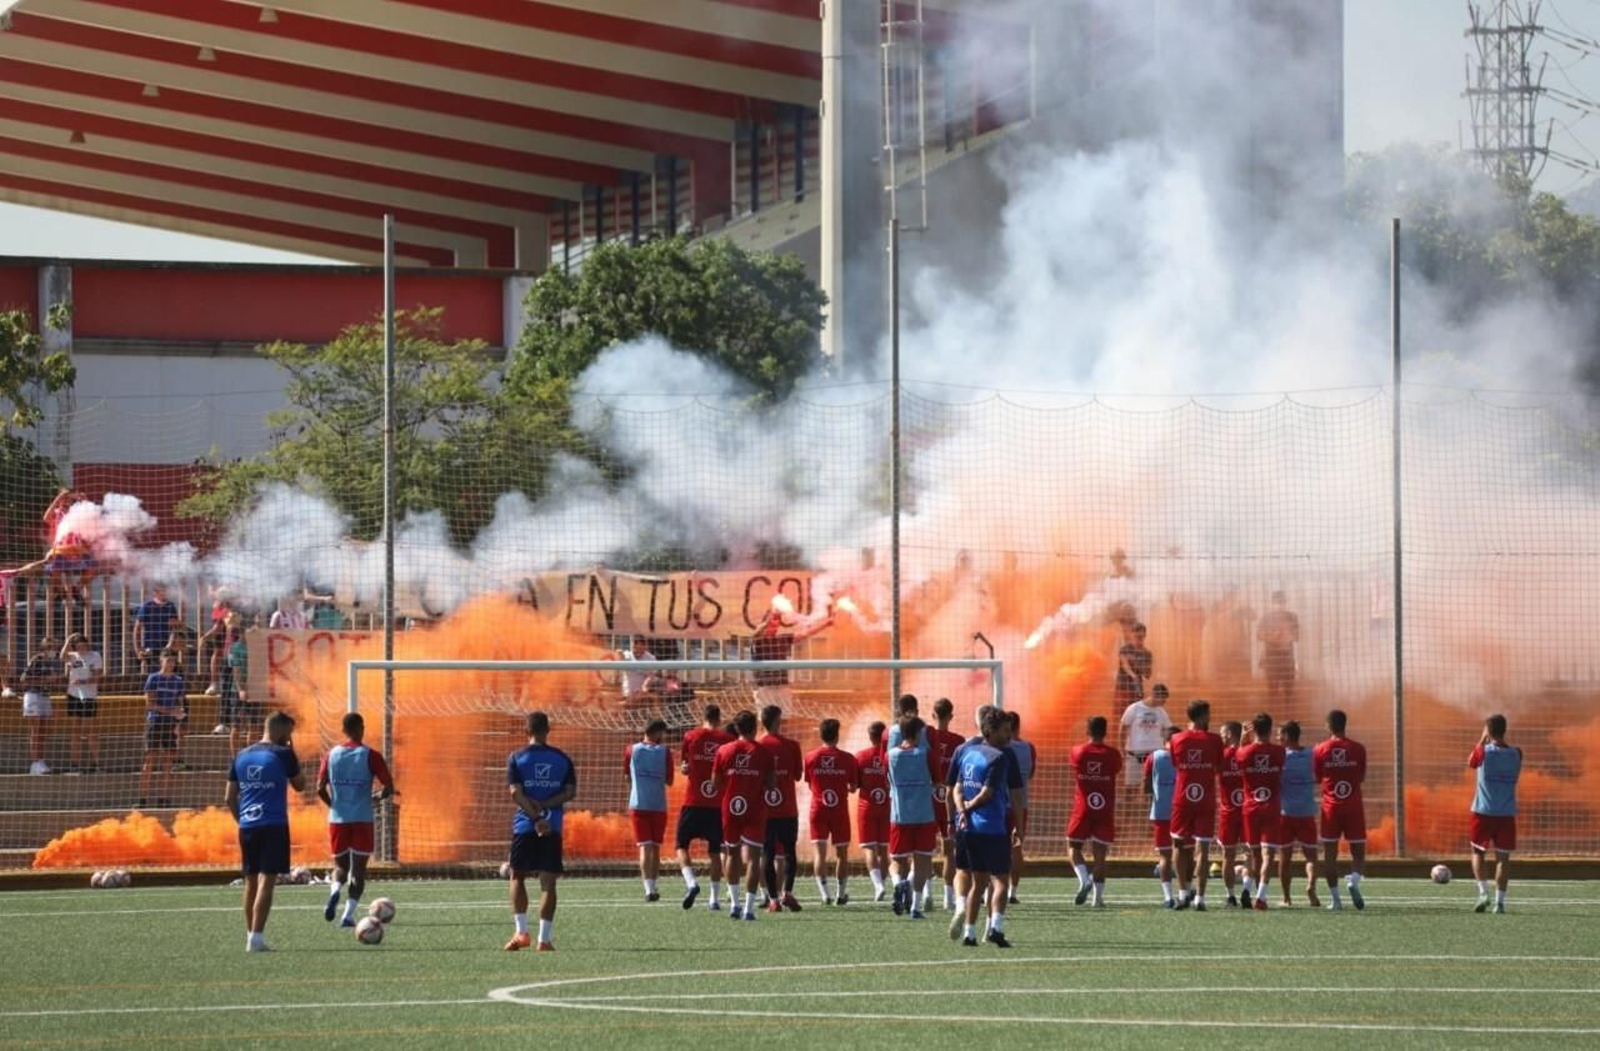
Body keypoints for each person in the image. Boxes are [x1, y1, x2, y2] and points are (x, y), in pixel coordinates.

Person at [226, 709, 305, 952]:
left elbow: (229, 797)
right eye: (289, 732)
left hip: (248, 826)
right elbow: (301, 786)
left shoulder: (241, 754)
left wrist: (243, 822)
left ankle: (251, 935)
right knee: (266, 881)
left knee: (250, 882)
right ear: (281, 729)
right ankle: (256, 939)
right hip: (273, 824)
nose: (290, 737)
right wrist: (292, 751)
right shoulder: (283, 754)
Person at [505, 711, 577, 951]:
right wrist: (547, 807)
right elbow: (570, 792)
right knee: (548, 883)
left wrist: (535, 816)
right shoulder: (563, 759)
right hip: (552, 826)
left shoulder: (516, 757)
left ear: (526, 731)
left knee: (517, 876)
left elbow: (515, 793)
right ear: (548, 730)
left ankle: (521, 932)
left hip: (525, 825)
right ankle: (544, 940)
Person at [316, 712, 396, 927]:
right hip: (362, 818)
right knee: (358, 871)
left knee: (340, 867)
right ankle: (348, 915)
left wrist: (333, 805)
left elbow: (319, 788)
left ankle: (334, 891)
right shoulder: (371, 755)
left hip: (337, 819)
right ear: (362, 728)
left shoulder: (330, 755)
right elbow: (389, 788)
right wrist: (377, 797)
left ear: (343, 730)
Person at [951, 708, 1017, 948]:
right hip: (990, 827)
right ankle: (996, 929)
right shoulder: (998, 757)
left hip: (967, 830)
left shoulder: (968, 753)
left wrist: (961, 809)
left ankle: (969, 933)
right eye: (1005, 730)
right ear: (990, 731)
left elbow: (957, 787)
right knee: (1001, 881)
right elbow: (987, 793)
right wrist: (969, 807)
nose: (1009, 735)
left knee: (978, 883)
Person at [712, 709, 776, 921]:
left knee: (732, 854)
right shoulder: (764, 752)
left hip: (731, 806)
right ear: (756, 727)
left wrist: (733, 783)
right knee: (754, 858)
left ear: (736, 728)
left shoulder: (724, 750)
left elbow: (715, 782)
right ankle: (749, 908)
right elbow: (772, 783)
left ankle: (734, 904)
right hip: (755, 808)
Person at [675, 703, 733, 911]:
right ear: (719, 719)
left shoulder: (691, 736)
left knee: (681, 846)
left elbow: (684, 767)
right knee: (716, 852)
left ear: (703, 717)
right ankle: (714, 899)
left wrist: (686, 768)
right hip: (717, 804)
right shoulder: (727, 740)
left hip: (693, 802)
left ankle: (691, 883)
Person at [1169, 699, 1223, 910]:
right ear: (1203, 716)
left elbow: (1176, 764)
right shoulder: (1215, 740)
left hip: (1182, 799)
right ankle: (1200, 898)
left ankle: (1183, 894)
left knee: (1179, 846)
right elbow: (1218, 767)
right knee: (1203, 850)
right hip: (1205, 799)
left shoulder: (1176, 739)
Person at [1314, 708, 1368, 911]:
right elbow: (1361, 777)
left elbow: (1319, 777)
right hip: (1353, 806)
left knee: (1329, 854)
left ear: (1328, 726)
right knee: (1358, 853)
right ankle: (1353, 881)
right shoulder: (1358, 749)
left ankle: (1336, 900)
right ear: (1345, 724)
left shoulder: (1320, 750)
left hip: (1330, 808)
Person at [1468, 713, 1522, 914]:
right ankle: (1500, 903)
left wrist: (1483, 739)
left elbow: (1471, 762)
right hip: (1506, 813)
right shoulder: (1517, 753)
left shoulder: (1483, 751)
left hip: (1483, 811)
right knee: (1503, 859)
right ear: (1505, 730)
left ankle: (1483, 893)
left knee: (1478, 853)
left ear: (1488, 731)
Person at [1067, 715, 1122, 907]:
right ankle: (1097, 900)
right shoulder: (1113, 754)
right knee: (1100, 855)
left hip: (1083, 807)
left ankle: (1084, 879)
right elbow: (1116, 770)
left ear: (1087, 732)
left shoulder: (1078, 751)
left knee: (1073, 846)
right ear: (1105, 732)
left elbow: (1073, 765)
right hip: (1104, 807)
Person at [887, 713, 938, 918]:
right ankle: (915, 907)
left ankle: (899, 883)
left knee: (897, 860)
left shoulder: (890, 755)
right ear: (918, 732)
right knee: (922, 861)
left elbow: (887, 778)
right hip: (924, 813)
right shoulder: (927, 753)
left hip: (899, 815)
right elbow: (937, 779)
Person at [802, 718, 858, 905]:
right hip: (839, 811)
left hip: (818, 810)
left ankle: (824, 894)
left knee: (820, 854)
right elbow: (853, 787)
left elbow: (809, 784)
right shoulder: (848, 759)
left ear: (821, 735)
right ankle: (840, 895)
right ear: (837, 735)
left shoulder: (810, 757)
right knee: (842, 854)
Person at [1236, 712, 1285, 911]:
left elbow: (1238, 756)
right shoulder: (1279, 752)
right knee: (1268, 855)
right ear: (1271, 729)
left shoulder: (1245, 752)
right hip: (1270, 806)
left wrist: (1242, 739)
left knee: (1254, 854)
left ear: (1253, 730)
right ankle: (1261, 897)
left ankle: (1247, 887)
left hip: (1250, 808)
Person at [757, 704, 804, 912]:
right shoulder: (792, 746)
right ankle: (788, 893)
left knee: (766, 853)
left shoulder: (757, 746)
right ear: (777, 721)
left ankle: (773, 900)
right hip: (787, 809)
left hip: (765, 810)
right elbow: (797, 776)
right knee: (789, 852)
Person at [625, 718, 674, 902]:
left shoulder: (631, 749)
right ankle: (653, 886)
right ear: (657, 733)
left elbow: (626, 777)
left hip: (638, 804)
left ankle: (648, 890)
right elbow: (669, 781)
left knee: (644, 847)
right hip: (658, 805)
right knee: (655, 847)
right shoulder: (665, 752)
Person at [749, 603, 833, 706]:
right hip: (764, 686)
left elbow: (805, 633)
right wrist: (767, 622)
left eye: (777, 621)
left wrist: (825, 624)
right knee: (765, 718)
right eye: (772, 621)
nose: (775, 624)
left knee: (784, 717)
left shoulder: (782, 639)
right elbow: (755, 634)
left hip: (782, 685)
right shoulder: (758, 640)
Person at [1277, 720, 1321, 907]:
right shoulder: (1311, 754)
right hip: (1306, 812)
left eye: (1279, 735)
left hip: (1285, 813)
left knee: (1285, 858)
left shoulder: (1280, 757)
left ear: (1286, 736)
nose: (1277, 738)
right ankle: (1310, 885)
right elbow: (1318, 777)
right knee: (1311, 856)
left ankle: (1286, 898)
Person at [929, 698, 966, 911]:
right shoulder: (959, 742)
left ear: (933, 715)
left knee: (922, 850)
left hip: (928, 800)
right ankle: (948, 898)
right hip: (950, 800)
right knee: (949, 850)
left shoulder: (926, 739)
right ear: (951, 716)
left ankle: (924, 892)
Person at [140, 651, 186, 807]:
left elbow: (180, 703)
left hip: (170, 724)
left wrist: (178, 717)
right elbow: (149, 704)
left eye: (173, 661)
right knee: (150, 759)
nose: (171, 664)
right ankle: (143, 799)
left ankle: (164, 798)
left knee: (168, 761)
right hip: (155, 721)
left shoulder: (178, 681)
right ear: (161, 661)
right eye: (168, 660)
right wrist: (169, 711)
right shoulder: (153, 678)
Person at [854, 720, 892, 901]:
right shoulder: (891, 756)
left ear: (869, 736)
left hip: (866, 807)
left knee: (869, 848)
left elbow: (854, 785)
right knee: (884, 849)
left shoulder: (860, 757)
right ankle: (882, 884)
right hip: (887, 805)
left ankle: (878, 886)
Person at [1143, 724, 1179, 907]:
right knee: (1185, 853)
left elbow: (1146, 786)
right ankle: (1186, 893)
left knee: (1165, 856)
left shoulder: (1154, 757)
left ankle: (1168, 898)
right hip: (1182, 811)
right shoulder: (1185, 757)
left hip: (1160, 812)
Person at [1005, 711, 1035, 903]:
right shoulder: (1028, 748)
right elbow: (1031, 773)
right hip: (1021, 804)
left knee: (995, 846)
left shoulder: (1000, 748)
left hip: (1001, 805)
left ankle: (988, 890)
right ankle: (1012, 893)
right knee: (1017, 848)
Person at [60, 634, 102, 774]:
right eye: (78, 646)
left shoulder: (95, 655)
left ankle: (96, 764)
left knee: (90, 731)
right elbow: (61, 656)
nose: (81, 648)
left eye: (83, 645)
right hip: (73, 695)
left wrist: (83, 682)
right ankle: (75, 764)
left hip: (89, 696)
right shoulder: (72, 656)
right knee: (75, 731)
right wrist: (68, 639)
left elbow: (97, 676)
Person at [1217, 720, 1247, 907]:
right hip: (1247, 812)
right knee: (1251, 854)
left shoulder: (1221, 756)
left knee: (1228, 856)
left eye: (1222, 733)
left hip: (1228, 813)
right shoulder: (1249, 753)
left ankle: (1230, 896)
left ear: (1228, 734)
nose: (1220, 736)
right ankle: (1247, 890)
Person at [19, 640, 58, 775]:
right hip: (33, 695)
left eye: (54, 648)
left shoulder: (50, 663)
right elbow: (23, 679)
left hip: (45, 696)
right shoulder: (36, 660)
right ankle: (34, 763)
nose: (54, 650)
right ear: (44, 648)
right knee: (35, 730)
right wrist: (44, 680)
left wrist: (51, 681)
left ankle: (41, 761)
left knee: (43, 730)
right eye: (50, 647)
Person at [217, 620, 254, 755]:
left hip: (255, 690)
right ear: (243, 632)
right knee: (236, 724)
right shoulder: (234, 648)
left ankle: (252, 755)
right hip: (238, 691)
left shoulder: (257, 646)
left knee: (254, 724)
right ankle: (235, 757)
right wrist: (241, 689)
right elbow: (236, 670)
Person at [1120, 682, 1169, 786]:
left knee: (1151, 787)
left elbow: (1168, 729)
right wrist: (1121, 748)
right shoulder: (1134, 708)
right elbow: (1123, 727)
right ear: (1155, 695)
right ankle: (1130, 802)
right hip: (1134, 753)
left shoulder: (1161, 712)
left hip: (1154, 755)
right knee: (1131, 786)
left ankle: (1147, 802)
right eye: (1163, 699)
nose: (1164, 702)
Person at [1257, 591, 1299, 706]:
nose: (1280, 605)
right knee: (1273, 688)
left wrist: (1289, 634)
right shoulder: (1267, 617)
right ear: (1273, 603)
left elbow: (1297, 636)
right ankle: (1273, 714)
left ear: (1285, 603)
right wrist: (1272, 635)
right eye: (1277, 602)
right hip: (1272, 658)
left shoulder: (1292, 617)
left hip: (1287, 657)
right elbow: (1259, 635)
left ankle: (1289, 713)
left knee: (1289, 689)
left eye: (1282, 602)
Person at [132, 583, 178, 676]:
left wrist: (170, 644)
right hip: (150, 647)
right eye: (163, 591)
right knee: (152, 675)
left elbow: (174, 628)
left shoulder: (170, 606)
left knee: (167, 673)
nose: (165, 593)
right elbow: (137, 628)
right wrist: (138, 649)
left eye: (166, 590)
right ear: (156, 592)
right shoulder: (147, 606)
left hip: (166, 648)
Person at [1115, 622, 1153, 710]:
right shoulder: (1125, 649)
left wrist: (1136, 662)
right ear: (1132, 635)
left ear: (1144, 636)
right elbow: (1125, 666)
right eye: (1137, 636)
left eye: (1141, 637)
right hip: (1123, 688)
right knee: (1121, 713)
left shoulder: (1147, 653)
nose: (1139, 639)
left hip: (1137, 690)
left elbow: (1148, 675)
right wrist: (1133, 675)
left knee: (1136, 713)